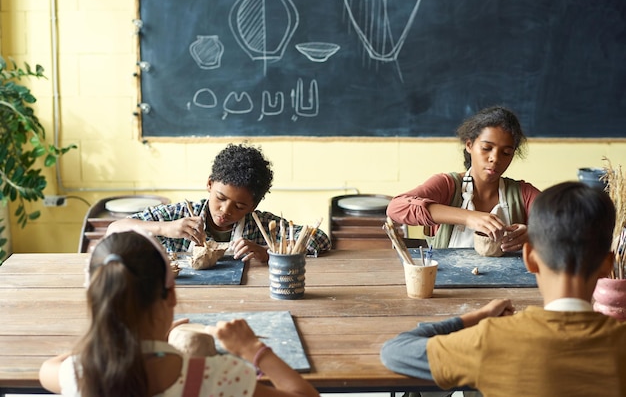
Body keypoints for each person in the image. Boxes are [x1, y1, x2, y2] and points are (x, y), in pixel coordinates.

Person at [380, 181, 626, 396]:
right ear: (608, 266)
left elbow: (395, 351)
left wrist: (475, 318)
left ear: (529, 257)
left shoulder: (492, 340)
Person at [39, 230, 320, 397]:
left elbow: (47, 369)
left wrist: (138, 332)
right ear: (171, 294)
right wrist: (254, 349)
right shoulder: (217, 376)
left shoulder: (80, 374)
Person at [107, 143, 331, 262]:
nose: (225, 211)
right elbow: (114, 229)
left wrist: (267, 252)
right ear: (209, 185)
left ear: (253, 206)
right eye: (220, 198)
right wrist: (165, 228)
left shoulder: (259, 225)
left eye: (240, 207)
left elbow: (319, 240)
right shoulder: (182, 215)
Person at [386, 106, 541, 253]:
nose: (495, 158)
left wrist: (534, 234)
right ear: (469, 145)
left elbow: (562, 222)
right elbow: (396, 208)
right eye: (487, 148)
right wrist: (469, 217)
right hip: (447, 281)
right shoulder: (447, 186)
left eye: (506, 152)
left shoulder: (523, 194)